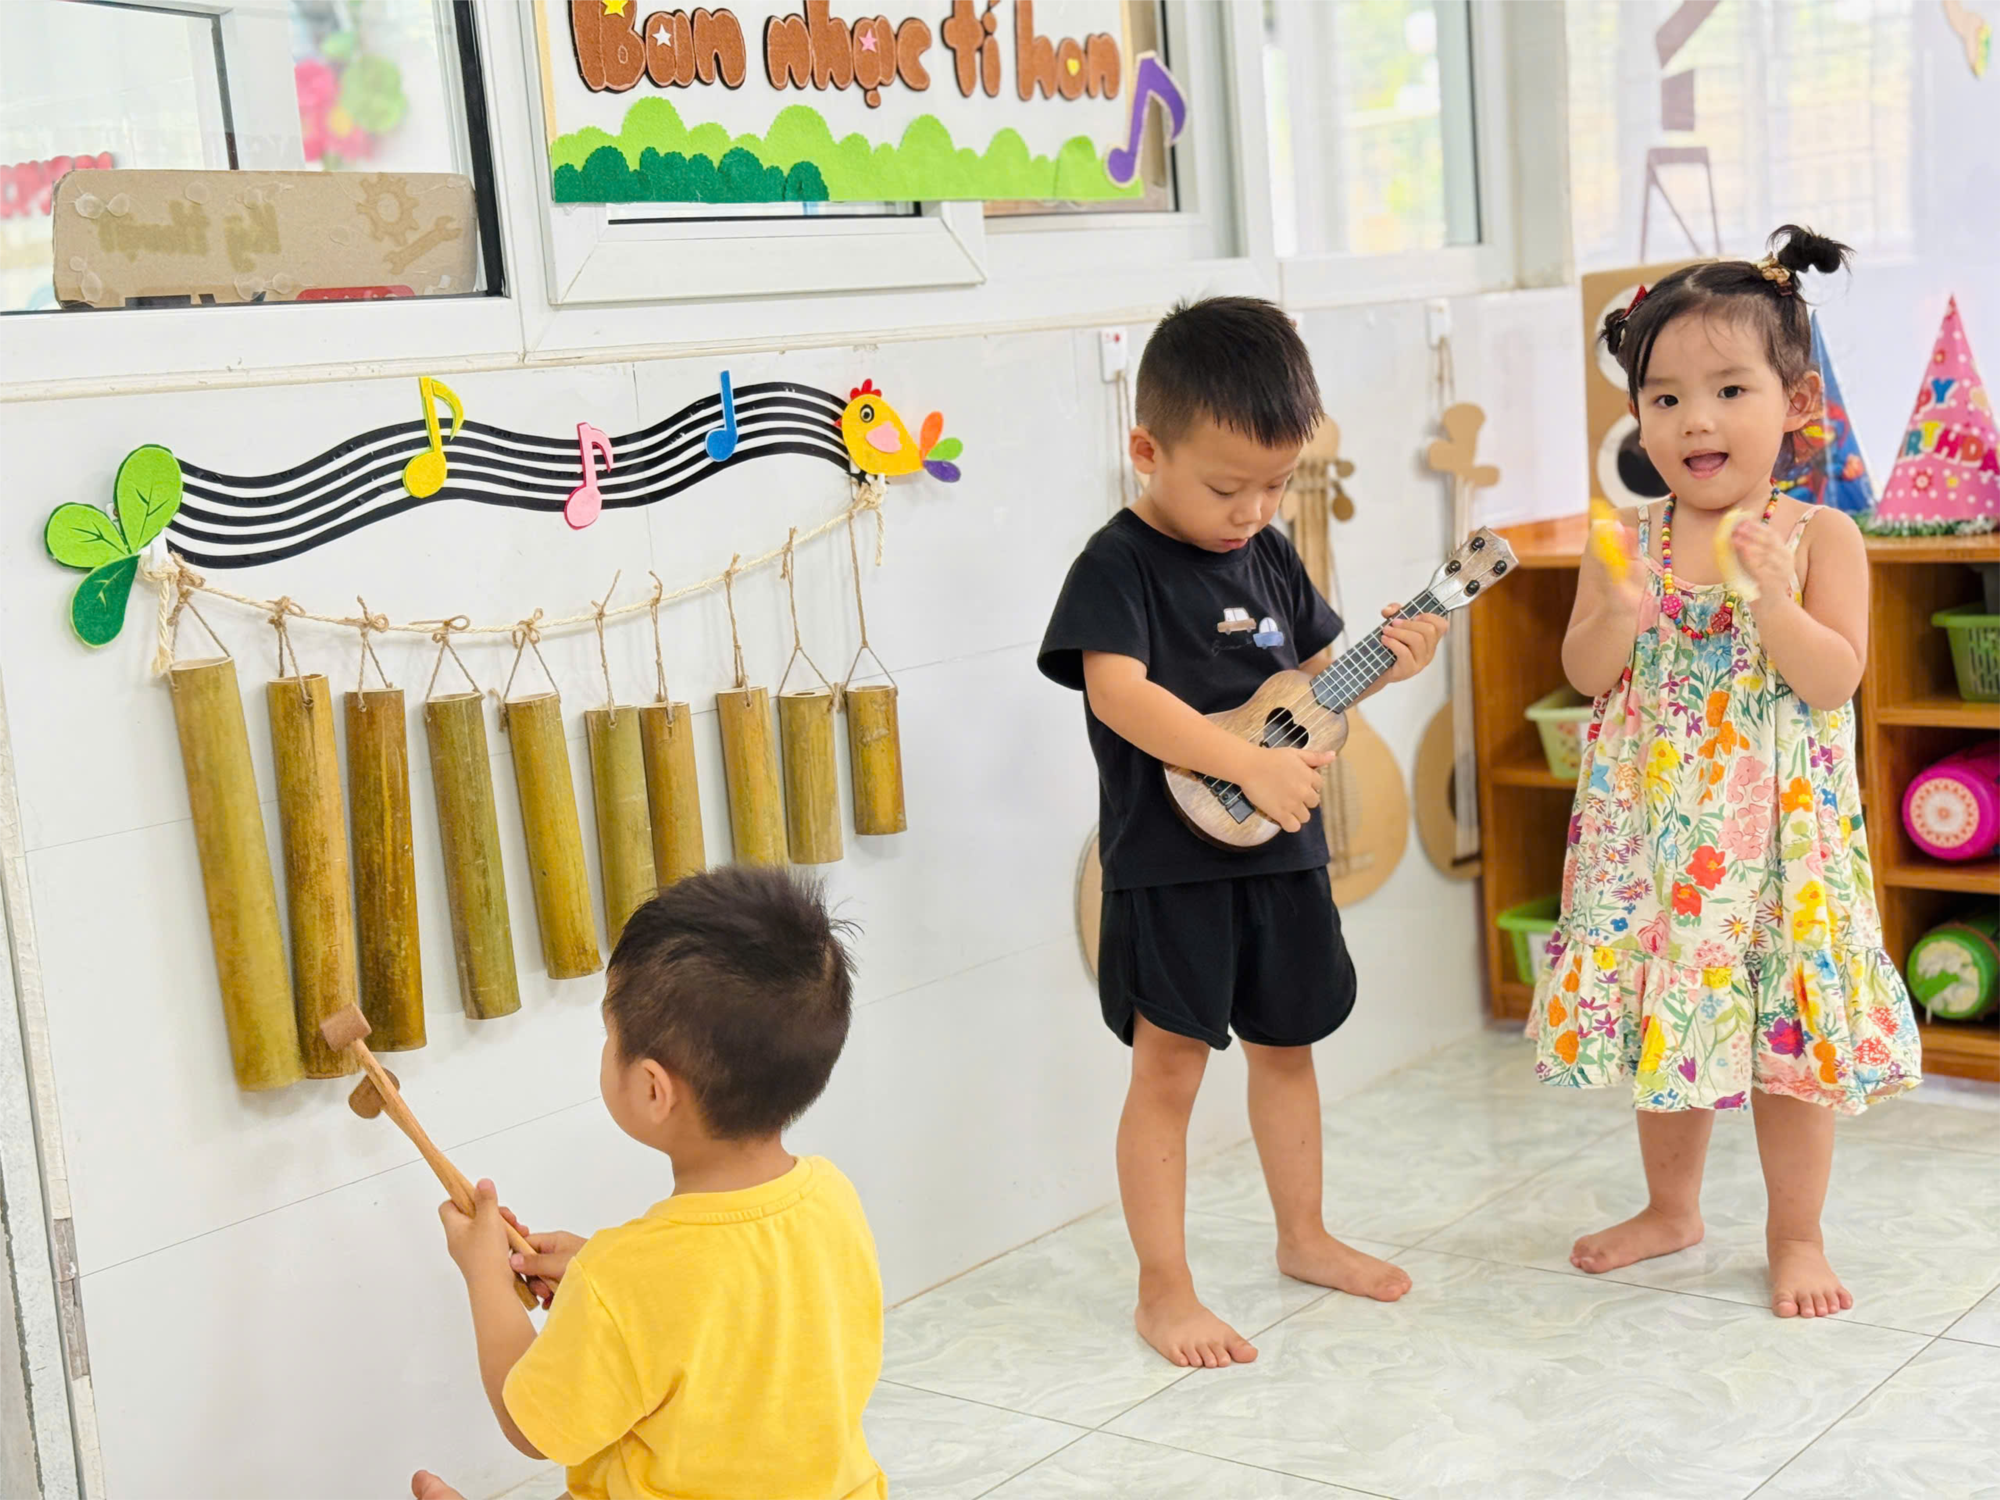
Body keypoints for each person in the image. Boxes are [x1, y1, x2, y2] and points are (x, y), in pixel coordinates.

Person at [1038, 296, 1447, 1369]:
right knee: (1168, 1070)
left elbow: (1309, 686)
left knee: (1287, 1045)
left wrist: (1383, 665)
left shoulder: (1269, 554)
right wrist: (1243, 765)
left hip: (1281, 849)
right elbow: (1119, 694)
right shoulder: (1116, 565)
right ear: (1146, 451)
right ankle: (1163, 1291)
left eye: (1275, 484)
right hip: (1167, 867)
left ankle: (1303, 1236)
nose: (1254, 510)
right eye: (1228, 488)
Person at [1537, 225, 1921, 1318]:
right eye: (1662, 398)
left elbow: (1833, 680)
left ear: (1794, 402)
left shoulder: (1817, 536)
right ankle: (1671, 1209)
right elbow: (1583, 674)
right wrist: (1615, 614)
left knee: (1783, 1038)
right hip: (1658, 840)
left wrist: (1773, 600)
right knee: (1675, 1012)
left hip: (1780, 846)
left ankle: (1795, 1234)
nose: (1693, 419)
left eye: (1726, 390)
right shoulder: (1624, 540)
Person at [412, 867, 885, 1500]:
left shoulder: (627, 1278)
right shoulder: (833, 1196)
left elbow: (532, 1427)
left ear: (653, 1089)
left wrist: (485, 1276)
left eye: (610, 1036)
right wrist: (602, 1282)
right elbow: (736, 1312)